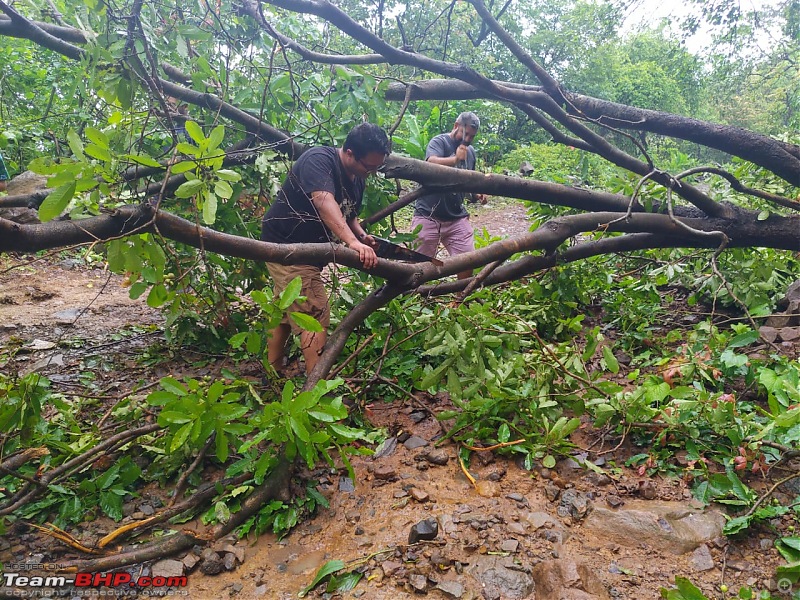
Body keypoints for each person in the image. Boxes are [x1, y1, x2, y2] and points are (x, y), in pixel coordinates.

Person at [261, 122, 390, 376]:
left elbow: (348, 214)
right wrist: (351, 243)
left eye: (377, 167)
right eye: (369, 166)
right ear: (350, 153)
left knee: (285, 312)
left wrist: (361, 237)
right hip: (288, 247)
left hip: (308, 250)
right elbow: (323, 201)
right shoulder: (319, 160)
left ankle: (273, 374)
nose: (371, 172)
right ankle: (316, 387)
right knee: (315, 311)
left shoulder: (357, 177)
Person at [412, 111, 486, 280]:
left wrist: (477, 195)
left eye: (472, 136)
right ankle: (416, 299)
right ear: (455, 126)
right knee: (418, 265)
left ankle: (460, 299)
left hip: (456, 217)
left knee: (467, 261)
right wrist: (454, 160)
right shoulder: (439, 141)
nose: (467, 139)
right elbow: (430, 163)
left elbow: (467, 183)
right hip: (428, 215)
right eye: (465, 134)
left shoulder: (471, 152)